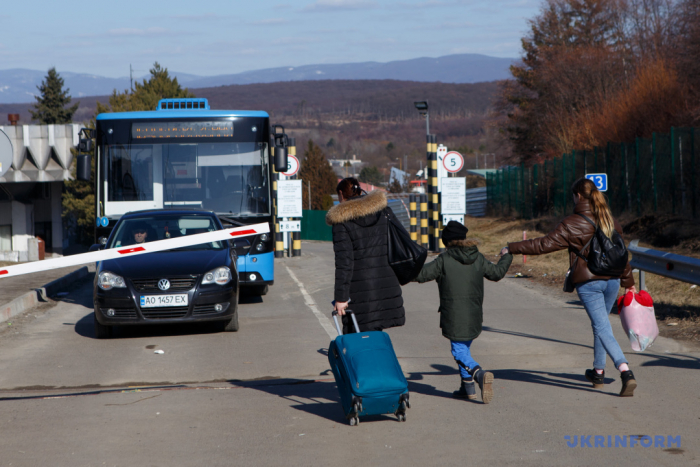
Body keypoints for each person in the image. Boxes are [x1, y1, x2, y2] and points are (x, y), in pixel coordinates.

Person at [502, 177, 638, 397]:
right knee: (600, 325)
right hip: (612, 280)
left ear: (577, 196)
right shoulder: (609, 218)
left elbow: (543, 244)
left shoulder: (572, 222)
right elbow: (621, 254)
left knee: (602, 327)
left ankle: (625, 371)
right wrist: (629, 283)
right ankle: (598, 371)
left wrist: (511, 248)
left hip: (589, 282)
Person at [414, 221, 512, 403]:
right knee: (464, 348)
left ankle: (479, 374)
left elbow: (421, 275)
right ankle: (467, 388)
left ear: (447, 242)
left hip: (453, 314)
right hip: (474, 314)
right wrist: (506, 256)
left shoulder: (444, 259)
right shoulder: (478, 257)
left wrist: (404, 264)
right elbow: (497, 273)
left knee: (458, 351)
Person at [326, 178, 405, 333]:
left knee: (359, 339)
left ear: (341, 194)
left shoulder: (342, 221)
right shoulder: (382, 212)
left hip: (359, 291)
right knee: (376, 334)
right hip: (385, 286)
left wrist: (341, 298)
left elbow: (344, 263)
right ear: (360, 191)